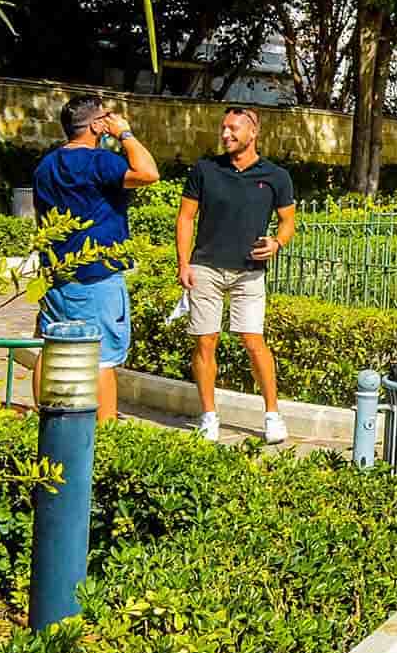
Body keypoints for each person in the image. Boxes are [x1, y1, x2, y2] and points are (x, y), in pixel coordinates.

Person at [33, 94, 162, 423]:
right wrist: (125, 134)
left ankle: (44, 419)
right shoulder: (100, 162)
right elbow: (148, 173)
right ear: (95, 125)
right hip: (98, 275)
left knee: (52, 346)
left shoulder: (46, 166)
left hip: (57, 273)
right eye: (106, 117)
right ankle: (105, 433)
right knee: (102, 357)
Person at [177, 107, 296, 443]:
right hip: (205, 268)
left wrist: (276, 242)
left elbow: (288, 222)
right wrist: (184, 264)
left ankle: (273, 415)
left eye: (233, 129)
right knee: (205, 341)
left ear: (253, 132)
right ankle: (209, 417)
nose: (225, 134)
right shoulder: (205, 169)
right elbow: (185, 218)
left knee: (253, 341)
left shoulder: (276, 176)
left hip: (250, 273)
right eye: (223, 128)